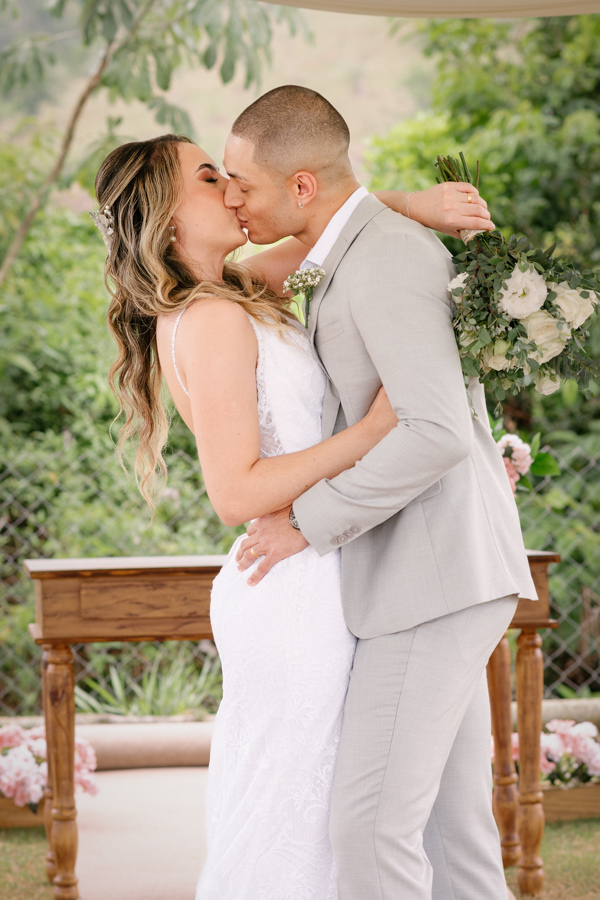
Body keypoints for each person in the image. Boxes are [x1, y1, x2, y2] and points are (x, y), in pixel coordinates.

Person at [92, 124, 495, 899]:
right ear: (168, 217)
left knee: (337, 807)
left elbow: (338, 230)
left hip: (320, 569)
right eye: (210, 178)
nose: (233, 189)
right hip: (290, 587)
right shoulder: (208, 320)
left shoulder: (239, 288)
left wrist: (420, 202)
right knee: (295, 813)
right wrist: (374, 432)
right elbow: (236, 492)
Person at [229, 86, 539, 900]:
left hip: (429, 582)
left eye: (243, 184)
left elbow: (432, 432)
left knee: (368, 831)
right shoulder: (348, 249)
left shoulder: (388, 254)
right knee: (454, 837)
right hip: (435, 577)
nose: (233, 201)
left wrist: (308, 522)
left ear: (301, 186)